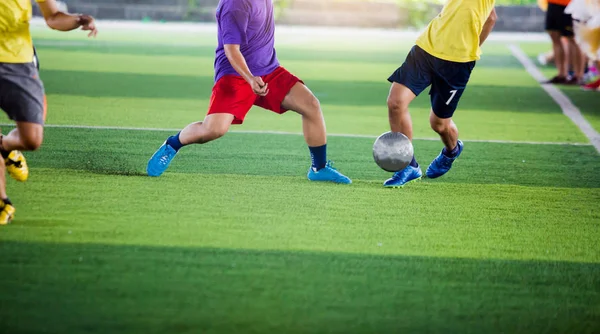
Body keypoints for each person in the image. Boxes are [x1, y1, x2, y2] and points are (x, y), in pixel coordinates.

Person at [146, 0, 351, 184]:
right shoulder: (234, 5)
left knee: (311, 105)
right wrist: (250, 78)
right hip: (235, 74)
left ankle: (319, 168)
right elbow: (231, 50)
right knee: (213, 130)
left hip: (269, 70)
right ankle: (172, 144)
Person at [0, 0, 97, 224]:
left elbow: (53, 17)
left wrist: (80, 19)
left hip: (18, 63)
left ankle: (5, 145)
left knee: (32, 139)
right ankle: (3, 202)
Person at [382, 0, 497, 188]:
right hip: (426, 49)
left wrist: (471, 48)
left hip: (458, 64)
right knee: (395, 102)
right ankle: (407, 165)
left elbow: (491, 18)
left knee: (439, 124)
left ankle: (452, 151)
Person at [545, 0, 587, 84]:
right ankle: (561, 74)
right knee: (554, 35)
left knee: (573, 38)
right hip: (552, 3)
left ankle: (578, 75)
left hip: (568, 4)